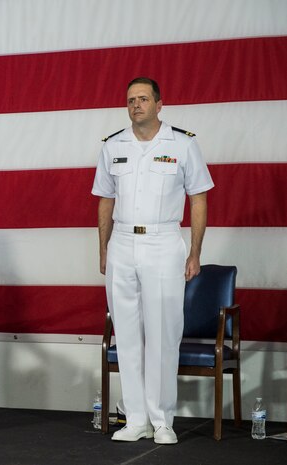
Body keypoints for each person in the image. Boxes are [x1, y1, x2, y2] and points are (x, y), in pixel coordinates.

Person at [91, 77, 214, 445]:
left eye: (143, 99)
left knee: (163, 334)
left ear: (160, 104)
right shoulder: (113, 146)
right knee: (127, 336)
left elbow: (199, 199)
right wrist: (103, 247)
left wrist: (195, 250)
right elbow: (105, 200)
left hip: (164, 241)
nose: (136, 105)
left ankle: (162, 421)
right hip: (123, 244)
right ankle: (136, 419)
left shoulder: (183, 144)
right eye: (130, 100)